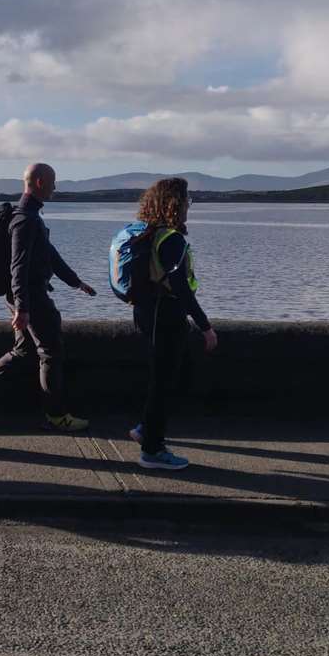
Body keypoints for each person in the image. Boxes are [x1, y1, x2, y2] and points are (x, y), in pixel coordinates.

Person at [0, 162, 97, 430]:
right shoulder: (25, 219)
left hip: (24, 295)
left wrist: (76, 282)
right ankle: (57, 416)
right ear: (40, 182)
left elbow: (50, 255)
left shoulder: (29, 216)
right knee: (51, 352)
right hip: (30, 296)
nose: (56, 188)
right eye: (53, 182)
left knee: (24, 350)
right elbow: (18, 266)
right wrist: (23, 308)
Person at [127, 177, 218, 471]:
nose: (189, 207)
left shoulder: (147, 234)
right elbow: (181, 288)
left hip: (146, 313)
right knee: (162, 384)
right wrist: (205, 325)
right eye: (187, 201)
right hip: (165, 315)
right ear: (175, 203)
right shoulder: (171, 239)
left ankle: (145, 429)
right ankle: (152, 451)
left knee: (161, 379)